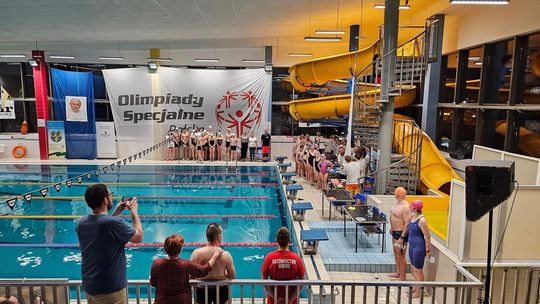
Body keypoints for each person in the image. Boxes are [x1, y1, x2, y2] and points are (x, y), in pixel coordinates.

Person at [76, 184, 143, 304]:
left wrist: (117, 212)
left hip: (90, 287)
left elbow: (102, 228)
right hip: (110, 291)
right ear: (105, 200)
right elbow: (138, 237)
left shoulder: (81, 222)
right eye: (110, 194)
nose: (112, 197)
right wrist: (134, 211)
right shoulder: (113, 223)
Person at [151, 234, 224, 304]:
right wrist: (216, 255)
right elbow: (204, 270)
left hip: (163, 301)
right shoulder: (186, 264)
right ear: (180, 249)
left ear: (165, 248)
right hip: (182, 301)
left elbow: (153, 283)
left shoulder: (157, 264)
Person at [191, 223, 236, 304]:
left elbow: (191, 276)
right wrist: (222, 273)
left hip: (202, 290)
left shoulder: (196, 253)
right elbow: (232, 276)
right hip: (221, 290)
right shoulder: (225, 255)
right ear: (218, 236)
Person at [261, 227, 305, 304]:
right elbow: (301, 283)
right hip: (292, 302)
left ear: (276, 241)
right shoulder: (297, 259)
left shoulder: (269, 258)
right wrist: (290, 299)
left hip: (273, 301)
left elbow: (264, 281)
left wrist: (275, 298)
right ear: (289, 241)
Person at [408, 200, 432, 298]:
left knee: (419, 270)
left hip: (419, 247)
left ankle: (418, 292)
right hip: (412, 246)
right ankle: (414, 288)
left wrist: (427, 249)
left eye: (411, 205)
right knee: (414, 268)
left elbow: (427, 236)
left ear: (414, 207)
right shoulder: (413, 216)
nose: (409, 207)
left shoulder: (422, 220)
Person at [389, 187, 412, 281]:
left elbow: (407, 223)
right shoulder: (398, 204)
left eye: (394, 193)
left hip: (401, 234)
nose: (394, 194)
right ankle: (398, 272)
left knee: (401, 255)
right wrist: (391, 227)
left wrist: (402, 237)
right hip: (394, 232)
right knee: (396, 252)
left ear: (398, 194)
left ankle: (403, 277)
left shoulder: (406, 206)